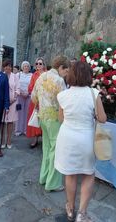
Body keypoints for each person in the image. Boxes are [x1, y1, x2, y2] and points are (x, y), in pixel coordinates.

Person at [55, 61, 107, 222]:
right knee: (88, 174)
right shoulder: (94, 93)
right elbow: (103, 118)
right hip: (86, 138)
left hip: (67, 138)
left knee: (70, 175)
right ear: (88, 76)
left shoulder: (63, 95)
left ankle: (70, 209)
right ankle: (82, 213)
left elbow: (61, 118)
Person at [32, 55, 69, 192]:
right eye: (66, 71)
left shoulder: (41, 76)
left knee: (47, 148)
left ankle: (43, 177)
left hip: (43, 116)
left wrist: (43, 103)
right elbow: (64, 102)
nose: (66, 74)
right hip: (55, 118)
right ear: (60, 67)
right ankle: (52, 183)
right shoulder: (59, 81)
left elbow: (33, 97)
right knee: (56, 149)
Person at [0, 60, 20, 149]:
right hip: (2, 103)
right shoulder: (1, 75)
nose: (7, 68)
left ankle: (8, 140)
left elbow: (18, 88)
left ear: (11, 67)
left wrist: (13, 99)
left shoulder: (15, 76)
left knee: (10, 122)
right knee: (3, 122)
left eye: (9, 66)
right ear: (3, 67)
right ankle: (2, 140)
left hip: (12, 102)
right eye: (5, 66)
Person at [27, 57, 45, 148]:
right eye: (37, 63)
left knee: (44, 120)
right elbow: (30, 87)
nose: (38, 65)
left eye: (40, 63)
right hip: (35, 100)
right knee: (35, 119)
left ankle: (45, 139)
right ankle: (35, 139)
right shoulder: (34, 75)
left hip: (44, 101)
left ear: (43, 65)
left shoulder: (46, 75)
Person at [15, 61, 32, 136]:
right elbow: (16, 85)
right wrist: (21, 92)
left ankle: (25, 130)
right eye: (24, 66)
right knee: (19, 113)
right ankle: (18, 130)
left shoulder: (32, 75)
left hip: (29, 96)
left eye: (27, 66)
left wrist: (28, 93)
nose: (26, 67)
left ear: (29, 68)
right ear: (22, 67)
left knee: (27, 113)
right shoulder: (18, 75)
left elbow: (33, 85)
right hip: (20, 96)